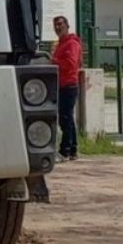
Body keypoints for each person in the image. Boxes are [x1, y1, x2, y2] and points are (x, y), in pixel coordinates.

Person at [52, 15, 84, 161]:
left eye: (60, 24)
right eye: (56, 25)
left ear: (67, 25)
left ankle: (65, 151)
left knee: (65, 119)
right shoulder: (60, 44)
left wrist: (53, 62)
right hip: (62, 84)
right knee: (67, 118)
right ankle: (72, 150)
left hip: (68, 85)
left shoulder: (71, 44)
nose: (58, 28)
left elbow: (71, 64)